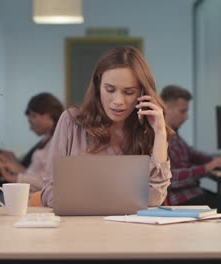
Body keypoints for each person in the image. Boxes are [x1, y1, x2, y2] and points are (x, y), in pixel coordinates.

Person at [40, 46, 174, 208]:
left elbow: (154, 199)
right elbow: (49, 193)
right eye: (110, 90)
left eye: (129, 92)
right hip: (79, 228)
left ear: (142, 93)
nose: (118, 100)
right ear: (98, 86)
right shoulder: (71, 121)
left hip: (132, 231)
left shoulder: (148, 130)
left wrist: (160, 132)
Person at [160, 85, 221, 205]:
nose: (186, 117)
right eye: (182, 111)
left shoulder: (175, 136)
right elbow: (171, 178)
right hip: (182, 201)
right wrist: (207, 167)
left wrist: (214, 159)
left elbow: (193, 154)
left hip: (193, 193)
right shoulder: (160, 139)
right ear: (166, 109)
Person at [0, 92, 64, 194]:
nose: (30, 128)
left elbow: (48, 182)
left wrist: (15, 177)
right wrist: (13, 162)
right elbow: (36, 173)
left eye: (33, 118)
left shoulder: (58, 142)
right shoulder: (48, 139)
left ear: (47, 115)